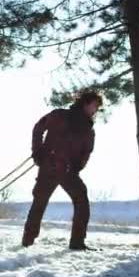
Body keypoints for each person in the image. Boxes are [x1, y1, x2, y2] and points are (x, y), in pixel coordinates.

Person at [22, 90, 102, 250]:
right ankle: (27, 243)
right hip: (49, 166)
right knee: (40, 202)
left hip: (67, 171)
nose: (95, 110)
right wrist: (37, 152)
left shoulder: (88, 129)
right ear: (85, 103)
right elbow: (38, 128)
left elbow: (86, 152)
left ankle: (77, 243)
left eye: (97, 108)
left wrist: (77, 167)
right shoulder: (59, 115)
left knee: (81, 200)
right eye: (94, 106)